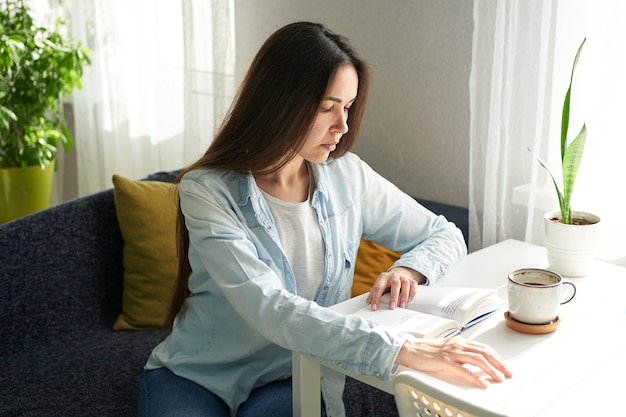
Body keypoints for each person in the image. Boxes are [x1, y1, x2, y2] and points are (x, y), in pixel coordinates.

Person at [137, 21, 512, 417]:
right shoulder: (206, 191)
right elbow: (267, 304)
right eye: (326, 108)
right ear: (280, 102)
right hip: (198, 374)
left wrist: (410, 271)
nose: (343, 126)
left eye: (347, 107)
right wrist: (401, 349)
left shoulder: (348, 177)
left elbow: (444, 234)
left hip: (294, 370)